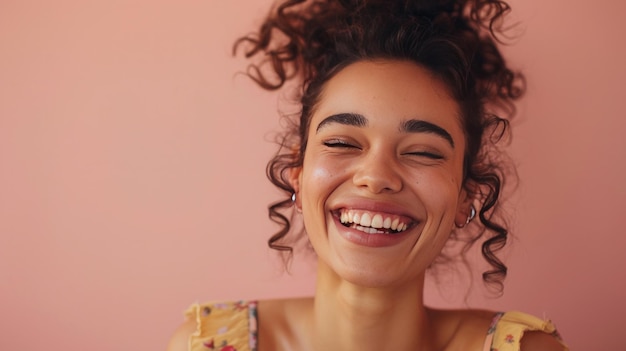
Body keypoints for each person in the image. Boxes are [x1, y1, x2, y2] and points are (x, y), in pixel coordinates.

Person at [168, 0, 569, 350]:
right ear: (298, 172)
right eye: (342, 143)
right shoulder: (204, 344)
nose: (376, 177)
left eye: (423, 152)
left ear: (467, 196)